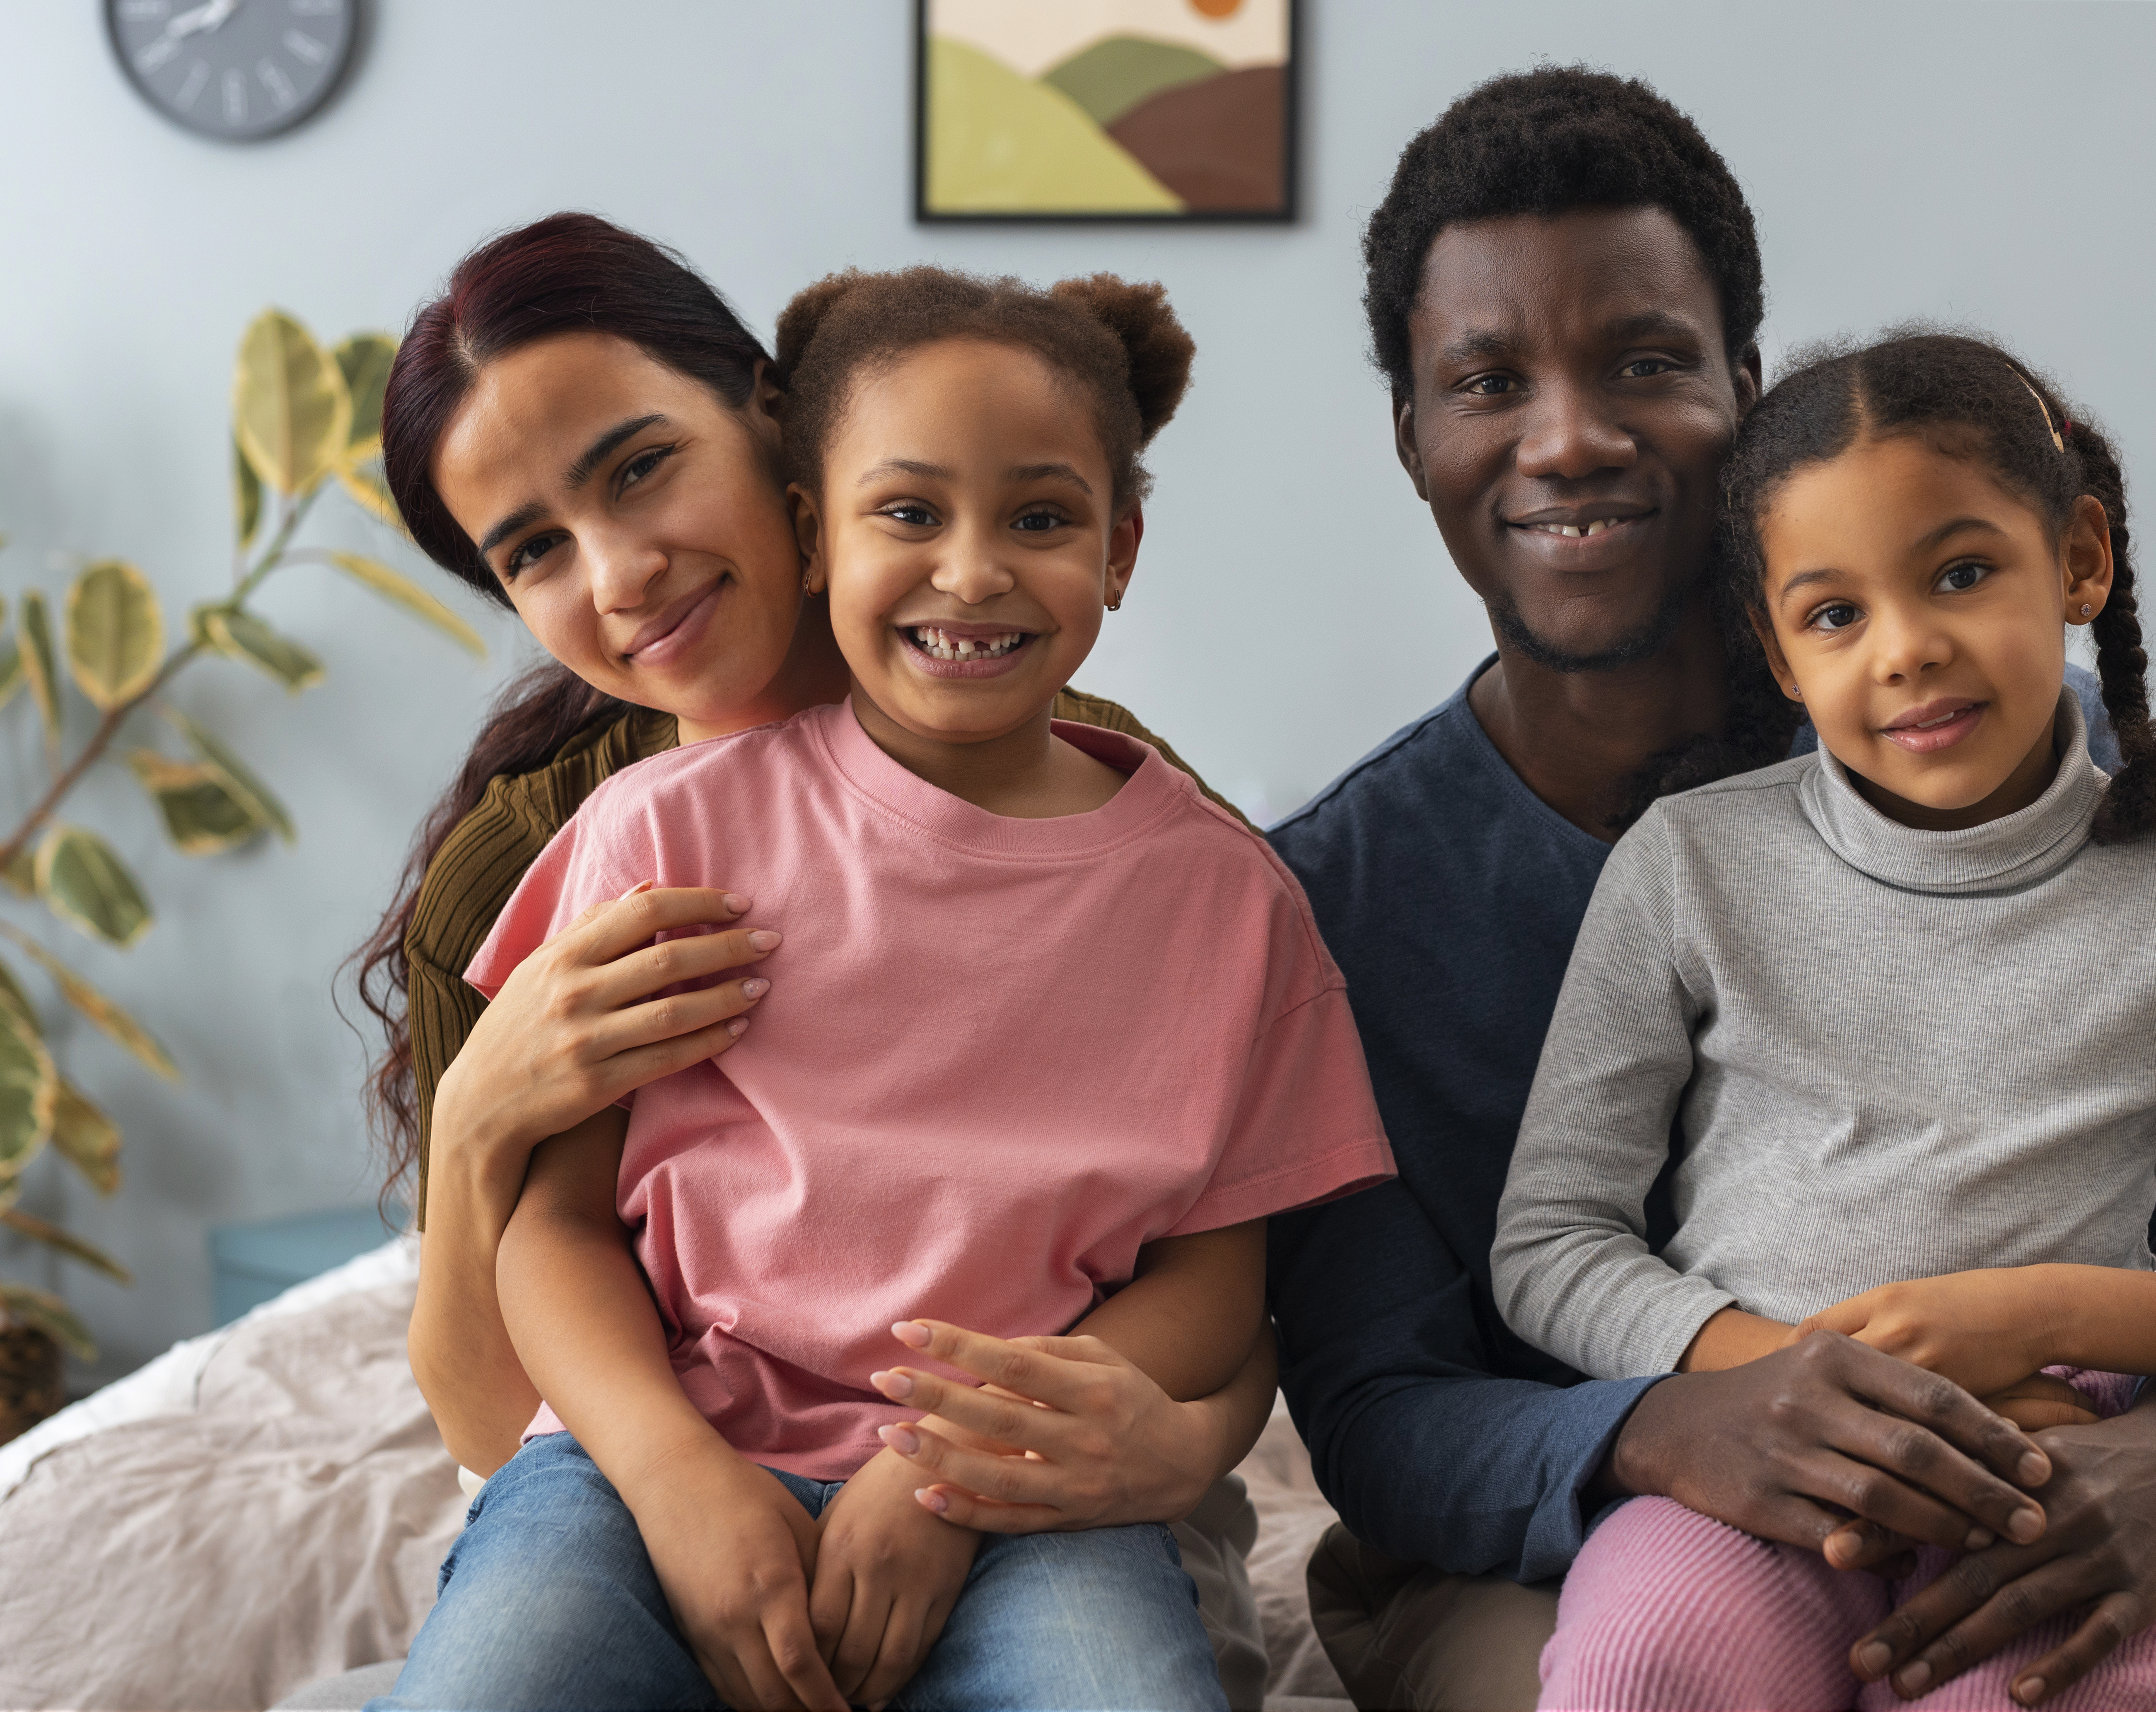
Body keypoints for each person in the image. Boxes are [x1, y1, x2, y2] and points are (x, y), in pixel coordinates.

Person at [1226, 68, 2156, 1712]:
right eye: (1486, 379)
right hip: (1546, 1550)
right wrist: (1668, 1424)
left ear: (1742, 391)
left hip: (2024, 1500)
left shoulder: (2013, 755)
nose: (1568, 436)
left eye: (1643, 361)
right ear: (1412, 433)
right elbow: (1378, 1402)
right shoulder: (1333, 899)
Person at [371, 265, 1395, 1712]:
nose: (621, 573)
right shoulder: (610, 840)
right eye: (536, 547)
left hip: (1020, 1484)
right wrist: (481, 1118)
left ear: (774, 442)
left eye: (643, 468)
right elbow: (503, 1382)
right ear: (828, 518)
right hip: (658, 1463)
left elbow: (1223, 1286)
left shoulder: (1178, 859)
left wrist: (973, 1463)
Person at [1494, 330, 2156, 1711]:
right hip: (1764, 1467)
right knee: (1640, 1668)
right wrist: (1796, 1381)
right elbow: (1551, 1243)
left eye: (1961, 572)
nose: (1909, 649)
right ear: (1775, 648)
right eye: (1835, 615)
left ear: (2079, 561)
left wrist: (2045, 1315)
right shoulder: (1686, 866)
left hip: (2056, 1473)